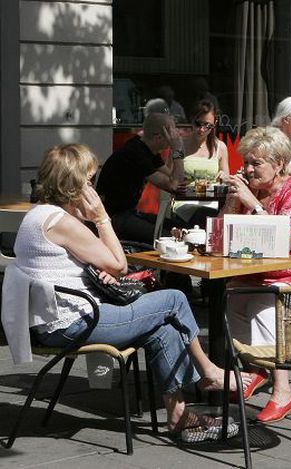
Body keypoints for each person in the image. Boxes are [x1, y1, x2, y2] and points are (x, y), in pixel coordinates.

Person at [11, 144, 238, 441]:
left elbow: (80, 263)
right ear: (73, 184)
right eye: (89, 180)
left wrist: (98, 265)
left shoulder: (39, 215)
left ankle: (179, 415)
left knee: (163, 329)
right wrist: (102, 217)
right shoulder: (62, 222)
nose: (93, 187)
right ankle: (209, 371)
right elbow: (119, 264)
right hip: (73, 324)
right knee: (175, 299)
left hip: (55, 320)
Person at [220, 126, 291, 423]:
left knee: (262, 301)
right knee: (234, 292)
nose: (248, 169)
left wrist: (253, 205)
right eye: (246, 162)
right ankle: (254, 369)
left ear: (279, 163)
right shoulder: (251, 190)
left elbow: (284, 242)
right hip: (262, 272)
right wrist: (233, 200)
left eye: (256, 163)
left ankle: (283, 391)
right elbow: (222, 237)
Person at [96, 113, 186, 244]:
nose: (175, 136)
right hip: (113, 218)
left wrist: (176, 152)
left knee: (182, 229)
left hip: (128, 213)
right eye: (171, 132)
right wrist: (177, 150)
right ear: (158, 136)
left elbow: (176, 179)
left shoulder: (146, 148)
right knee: (169, 239)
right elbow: (174, 186)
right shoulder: (135, 153)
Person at [172, 100, 229, 227]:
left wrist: (223, 177)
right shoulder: (180, 146)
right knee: (204, 215)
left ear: (215, 124)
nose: (202, 129)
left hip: (213, 201)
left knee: (213, 215)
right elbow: (170, 173)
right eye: (198, 124)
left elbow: (226, 178)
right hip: (186, 202)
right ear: (192, 120)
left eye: (207, 126)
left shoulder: (220, 147)